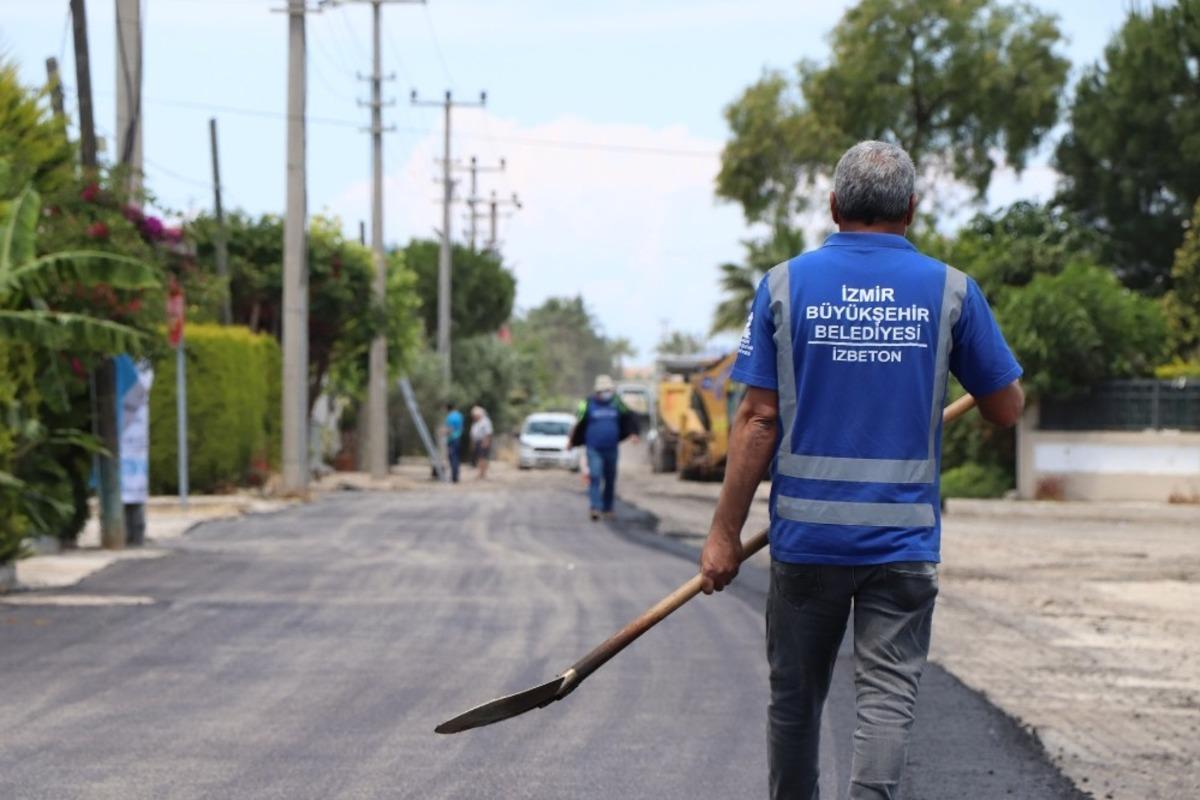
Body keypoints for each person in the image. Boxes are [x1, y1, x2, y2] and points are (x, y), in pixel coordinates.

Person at [699, 141, 1025, 800]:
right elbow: (1005, 410)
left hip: (807, 541)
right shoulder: (952, 290)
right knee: (886, 703)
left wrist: (723, 535)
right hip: (901, 546)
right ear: (910, 209)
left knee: (795, 702)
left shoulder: (784, 285)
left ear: (833, 206)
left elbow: (759, 420)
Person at [569, 375, 639, 521]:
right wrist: (571, 441)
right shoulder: (586, 403)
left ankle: (608, 508)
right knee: (595, 476)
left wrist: (633, 433)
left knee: (610, 478)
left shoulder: (616, 402)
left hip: (611, 449)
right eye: (603, 391)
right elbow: (578, 422)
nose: (606, 393)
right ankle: (595, 507)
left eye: (608, 390)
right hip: (593, 448)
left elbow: (629, 416)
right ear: (597, 391)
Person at [469, 406, 494, 480]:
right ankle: (481, 473)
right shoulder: (476, 422)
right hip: (477, 441)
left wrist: (486, 442)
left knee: (482, 458)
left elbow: (488, 433)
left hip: (483, 441)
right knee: (479, 458)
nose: (473, 417)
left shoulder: (485, 421)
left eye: (474, 415)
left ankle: (482, 473)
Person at [444, 402, 463, 483]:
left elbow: (450, 429)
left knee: (453, 458)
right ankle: (456, 476)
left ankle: (454, 477)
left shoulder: (450, 417)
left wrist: (443, 432)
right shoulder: (459, 415)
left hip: (452, 439)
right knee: (457, 458)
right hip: (458, 438)